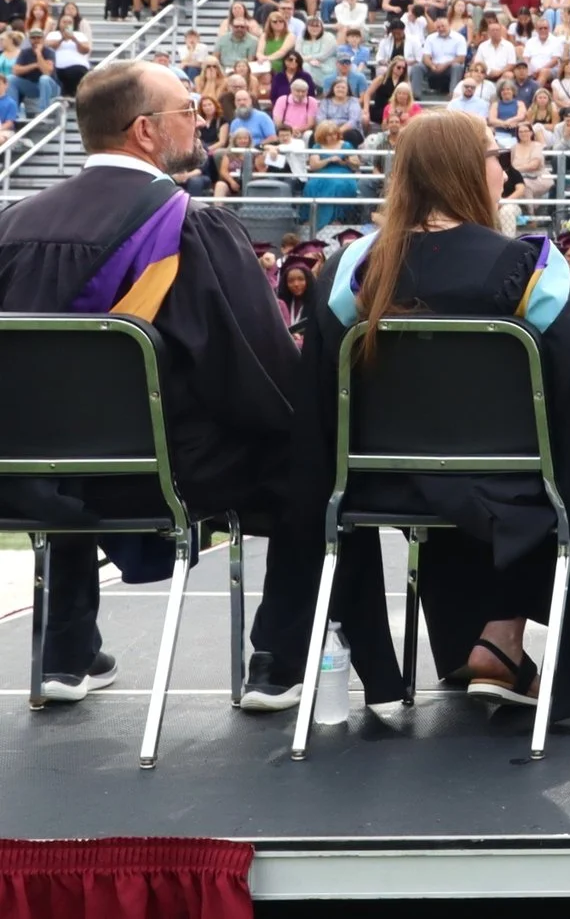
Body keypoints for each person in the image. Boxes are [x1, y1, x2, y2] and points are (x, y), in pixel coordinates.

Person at [0, 60, 343, 709]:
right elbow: (258, 375)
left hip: (33, 474)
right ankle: (280, 660)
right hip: (169, 472)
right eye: (187, 109)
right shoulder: (187, 227)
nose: (201, 119)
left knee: (67, 437)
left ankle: (64, 653)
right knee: (307, 452)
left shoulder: (14, 226)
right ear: (144, 130)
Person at [304, 112, 570, 723]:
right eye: (495, 156)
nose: (504, 169)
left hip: (381, 483)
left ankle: (466, 648)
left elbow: (320, 394)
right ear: (465, 169)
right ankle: (499, 640)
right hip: (509, 482)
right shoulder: (533, 271)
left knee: (456, 485)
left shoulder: (353, 271)